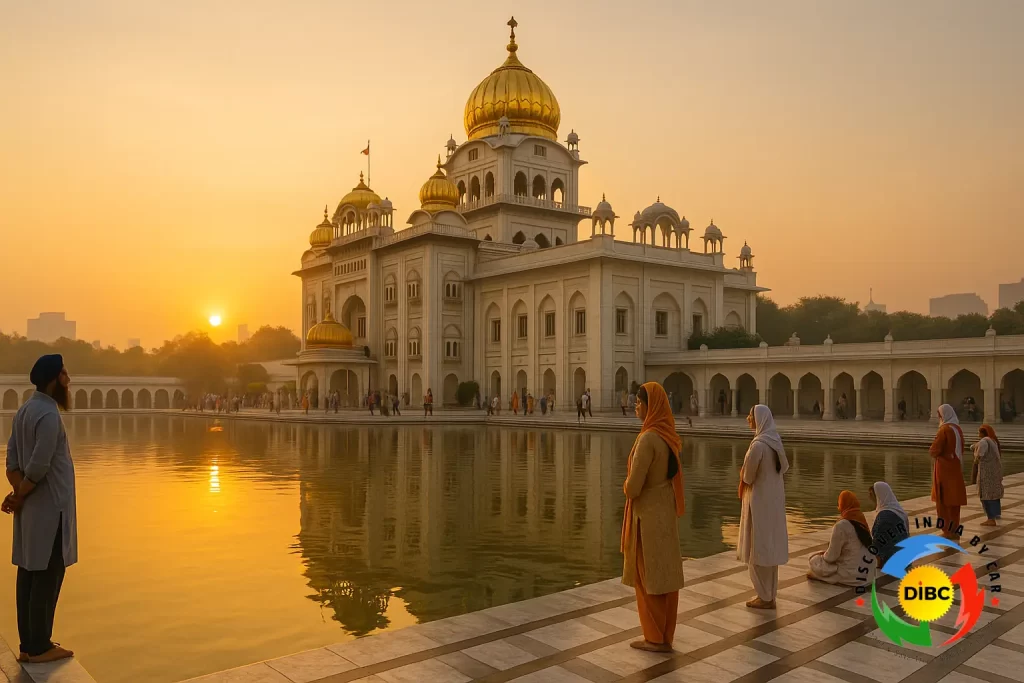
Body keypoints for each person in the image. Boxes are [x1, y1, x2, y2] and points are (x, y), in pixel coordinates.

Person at [2, 355, 77, 663]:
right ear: (53, 378)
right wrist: (21, 494)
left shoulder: (24, 410)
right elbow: (40, 464)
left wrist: (18, 493)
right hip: (50, 509)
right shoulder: (47, 415)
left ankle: (28, 644)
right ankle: (40, 646)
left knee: (30, 574)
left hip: (32, 508)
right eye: (64, 374)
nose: (68, 380)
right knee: (47, 574)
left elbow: (12, 462)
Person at [621, 383, 685, 653]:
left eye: (639, 401)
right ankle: (665, 634)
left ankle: (654, 637)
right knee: (665, 575)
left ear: (652, 406)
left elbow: (634, 486)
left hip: (646, 517)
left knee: (647, 576)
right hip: (664, 513)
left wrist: (624, 486)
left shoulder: (648, 439)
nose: (636, 405)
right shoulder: (668, 437)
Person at [738, 405, 789, 609]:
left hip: (758, 503)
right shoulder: (775, 442)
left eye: (750, 416)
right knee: (769, 548)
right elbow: (784, 467)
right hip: (773, 503)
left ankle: (764, 596)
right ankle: (770, 594)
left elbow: (748, 476)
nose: (748, 418)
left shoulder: (758, 445)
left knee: (756, 549)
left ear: (759, 420)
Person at [807, 491, 874, 586]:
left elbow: (831, 557)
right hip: (868, 574)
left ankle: (822, 576)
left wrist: (823, 555)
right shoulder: (860, 518)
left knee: (814, 559)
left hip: (853, 576)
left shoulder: (841, 525)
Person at [930, 404, 967, 538]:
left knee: (943, 498)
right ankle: (955, 529)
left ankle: (947, 530)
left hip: (944, 468)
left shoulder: (944, 430)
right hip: (955, 466)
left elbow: (934, 450)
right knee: (954, 500)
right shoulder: (957, 428)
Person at [868, 482, 908, 569]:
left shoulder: (883, 516)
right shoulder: (899, 511)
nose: (870, 498)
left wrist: (878, 562)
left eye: (872, 495)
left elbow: (878, 541)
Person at [972, 424, 1003, 526]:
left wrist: (975, 460)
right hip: (994, 472)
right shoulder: (992, 441)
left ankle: (990, 519)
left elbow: (980, 455)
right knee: (993, 495)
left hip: (986, 473)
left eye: (979, 432)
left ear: (982, 433)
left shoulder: (984, 442)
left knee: (985, 495)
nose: (978, 434)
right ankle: (995, 515)